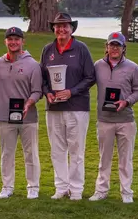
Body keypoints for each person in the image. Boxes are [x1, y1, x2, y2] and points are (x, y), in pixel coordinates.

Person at [40, 12, 96, 200]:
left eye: (65, 26)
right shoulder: (48, 50)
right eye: (58, 26)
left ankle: (77, 190)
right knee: (57, 150)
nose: (61, 29)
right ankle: (61, 188)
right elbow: (42, 78)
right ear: (54, 29)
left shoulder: (81, 49)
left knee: (76, 150)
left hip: (77, 107)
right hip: (54, 108)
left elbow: (90, 77)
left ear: (72, 29)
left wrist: (71, 91)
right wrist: (47, 92)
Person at [89, 32, 138, 203]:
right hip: (104, 120)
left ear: (123, 48)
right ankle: (101, 190)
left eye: (117, 45)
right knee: (104, 159)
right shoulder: (97, 66)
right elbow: (85, 82)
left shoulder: (133, 67)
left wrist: (126, 102)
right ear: (106, 47)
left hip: (126, 120)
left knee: (125, 160)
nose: (114, 48)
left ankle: (126, 192)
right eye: (111, 45)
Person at [0, 27, 43, 199]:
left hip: (28, 117)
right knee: (7, 153)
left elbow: (37, 91)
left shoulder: (33, 64)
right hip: (5, 117)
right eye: (10, 39)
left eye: (17, 39)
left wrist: (29, 102)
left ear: (23, 41)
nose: (13, 42)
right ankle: (7, 186)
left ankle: (33, 187)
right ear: (5, 41)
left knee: (31, 153)